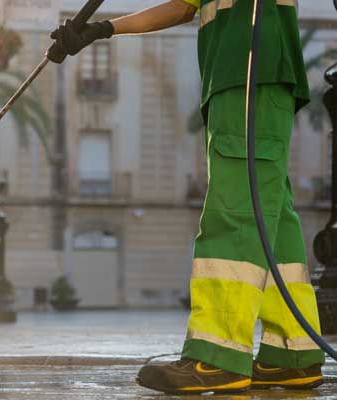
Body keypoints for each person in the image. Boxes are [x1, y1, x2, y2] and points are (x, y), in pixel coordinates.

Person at [48, 0, 325, 395]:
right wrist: (102, 29)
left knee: (234, 214)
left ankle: (217, 357)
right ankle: (292, 355)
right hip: (242, 82)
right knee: (272, 223)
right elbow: (182, 7)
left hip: (249, 75)